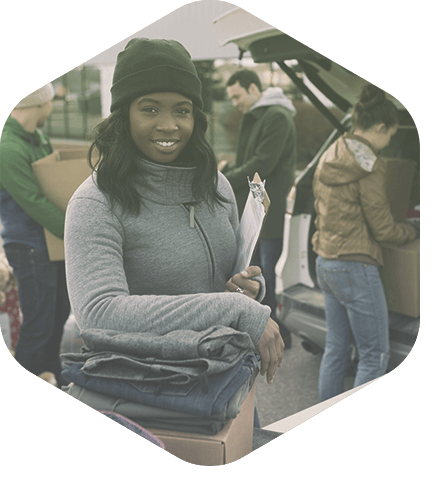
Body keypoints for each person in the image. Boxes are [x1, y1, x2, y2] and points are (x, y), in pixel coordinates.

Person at [64, 39, 284, 423]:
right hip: (150, 403)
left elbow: (223, 285)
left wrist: (243, 290)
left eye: (182, 110)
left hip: (226, 385)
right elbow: (99, 315)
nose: (169, 125)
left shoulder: (215, 186)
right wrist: (234, 309)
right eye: (150, 109)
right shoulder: (94, 203)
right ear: (124, 114)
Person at [312, 84, 418, 401]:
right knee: (375, 355)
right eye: (390, 136)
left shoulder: (331, 152)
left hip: (325, 261)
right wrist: (412, 230)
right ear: (381, 127)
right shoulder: (370, 164)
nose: (389, 143)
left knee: (336, 349)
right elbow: (384, 228)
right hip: (355, 266)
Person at [0, 84, 70, 386]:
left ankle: (54, 371)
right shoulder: (7, 146)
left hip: (51, 245)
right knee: (39, 324)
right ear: (40, 103)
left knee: (57, 317)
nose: (52, 108)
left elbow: (53, 185)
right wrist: (77, 228)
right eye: (51, 102)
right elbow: (35, 202)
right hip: (29, 248)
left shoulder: (37, 138)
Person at [221, 69, 297, 344]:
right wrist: (230, 169)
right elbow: (248, 160)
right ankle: (266, 328)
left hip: (268, 210)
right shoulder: (256, 115)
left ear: (254, 89)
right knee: (254, 268)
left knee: (266, 272)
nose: (234, 103)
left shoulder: (276, 116)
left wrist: (223, 178)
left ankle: (277, 333)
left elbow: (261, 163)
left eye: (237, 96)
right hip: (256, 208)